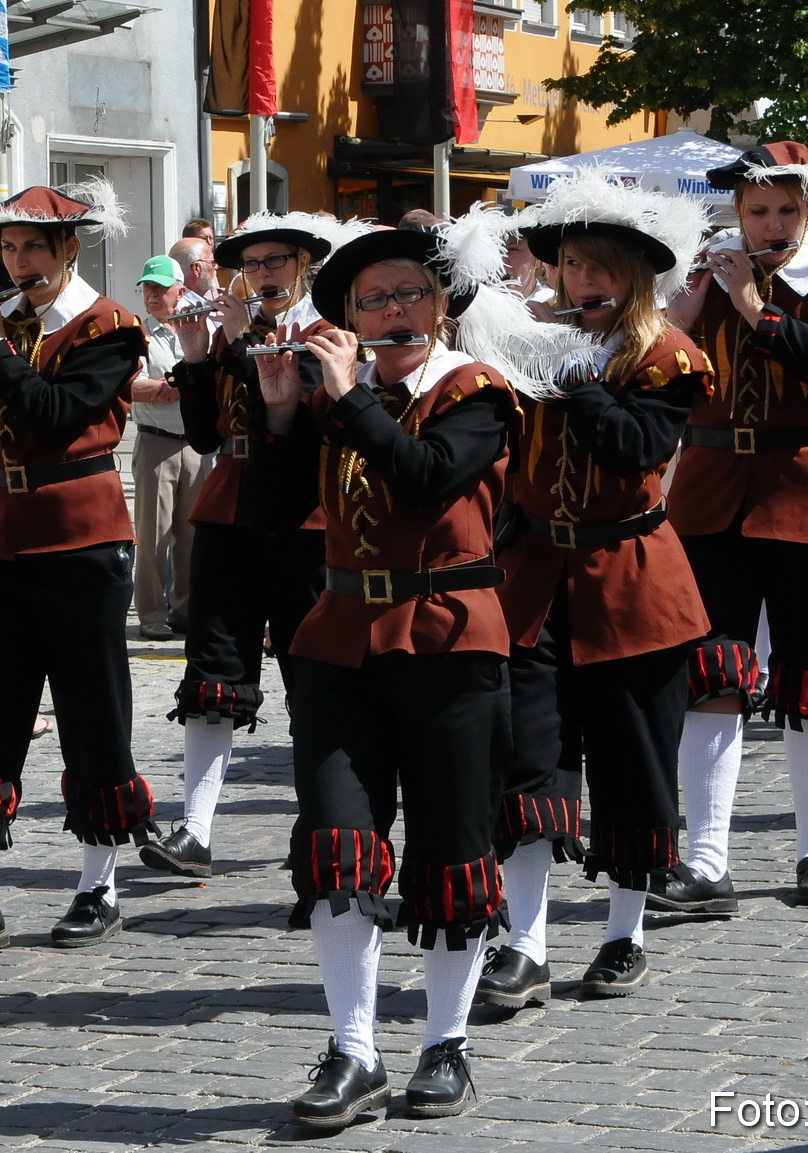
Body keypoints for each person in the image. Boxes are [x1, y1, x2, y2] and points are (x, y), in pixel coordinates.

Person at [256, 224, 516, 1128]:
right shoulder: (342, 399)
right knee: (337, 841)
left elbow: (425, 478)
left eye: (406, 294)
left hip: (448, 634)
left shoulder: (476, 393)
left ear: (441, 305)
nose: (390, 310)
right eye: (372, 300)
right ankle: (353, 1046)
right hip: (339, 638)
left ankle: (445, 1041)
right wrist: (285, 411)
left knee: (450, 846)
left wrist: (346, 401)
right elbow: (275, 511)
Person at [477, 172, 711, 1010]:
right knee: (527, 758)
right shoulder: (523, 343)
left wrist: (575, 379)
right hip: (535, 578)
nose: (586, 282)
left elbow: (634, 449)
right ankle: (524, 942)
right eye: (573, 264)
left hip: (629, 581)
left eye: (602, 266)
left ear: (636, 277)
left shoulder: (667, 357)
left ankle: (624, 932)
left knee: (631, 763)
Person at [0, 179, 152, 961]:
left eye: (29, 249)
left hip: (80, 542)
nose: (16, 262)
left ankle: (98, 884)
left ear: (67, 250)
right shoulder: (3, 324)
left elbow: (56, 419)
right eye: (7, 249)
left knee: (92, 715)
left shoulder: (111, 327)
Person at [659, 142, 808, 910]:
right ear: (737, 213)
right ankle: (706, 857)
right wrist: (676, 321)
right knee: (712, 676)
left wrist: (756, 308)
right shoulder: (714, 267)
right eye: (758, 211)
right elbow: (660, 375)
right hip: (714, 491)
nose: (773, 223)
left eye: (787, 209)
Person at [143, 212, 359, 879]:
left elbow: (299, 417)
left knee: (309, 674)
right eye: (253, 264)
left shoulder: (327, 334)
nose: (262, 275)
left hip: (302, 518)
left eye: (275, 262)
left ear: (302, 266)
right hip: (228, 507)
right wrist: (195, 354)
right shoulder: (237, 327)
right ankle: (195, 828)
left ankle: (316, 823)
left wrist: (237, 342)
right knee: (213, 671)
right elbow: (205, 436)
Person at [131, 255, 210, 640]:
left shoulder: (201, 326)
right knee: (153, 536)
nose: (151, 294)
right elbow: (130, 386)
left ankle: (185, 609)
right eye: (147, 287)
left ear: (181, 289)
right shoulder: (138, 335)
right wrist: (173, 387)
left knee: (192, 536)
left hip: (197, 444)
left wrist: (169, 386)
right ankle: (150, 613)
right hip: (156, 443)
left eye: (159, 288)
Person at [169, 236, 220, 302]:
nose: (216, 266)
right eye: (212, 262)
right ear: (196, 268)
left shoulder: (173, 303)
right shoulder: (180, 307)